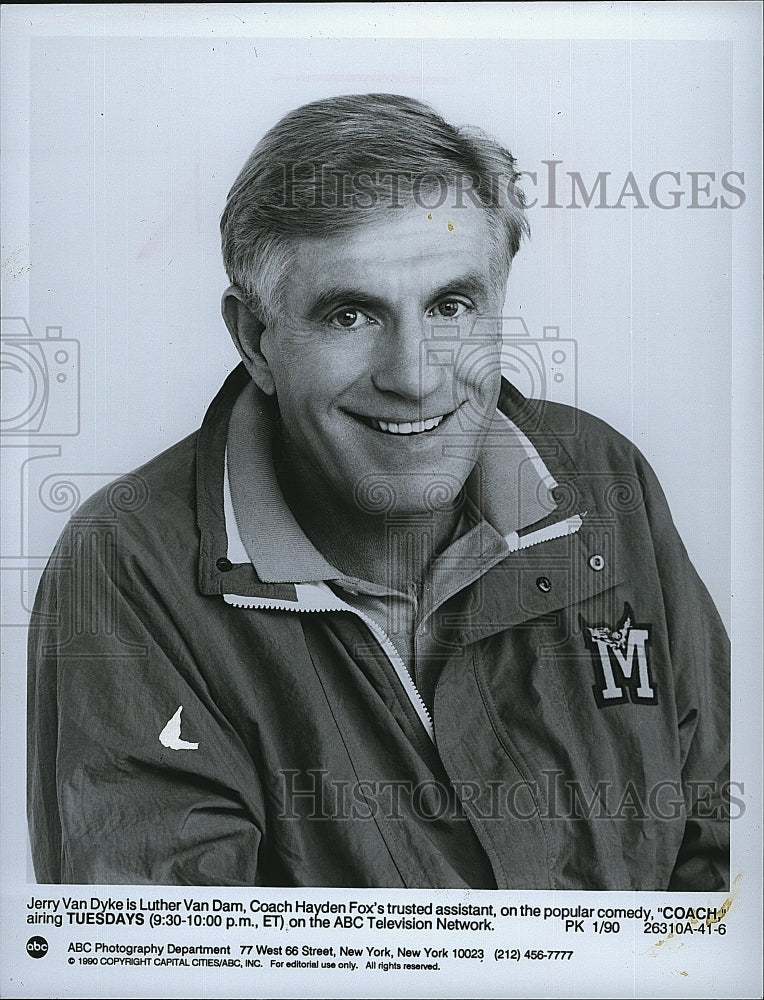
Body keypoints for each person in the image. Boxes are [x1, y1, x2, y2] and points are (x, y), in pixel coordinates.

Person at [27, 93, 730, 889]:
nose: (414, 375)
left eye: (451, 306)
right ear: (256, 339)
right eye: (351, 314)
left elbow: (728, 862)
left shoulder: (604, 482)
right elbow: (177, 963)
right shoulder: (129, 564)